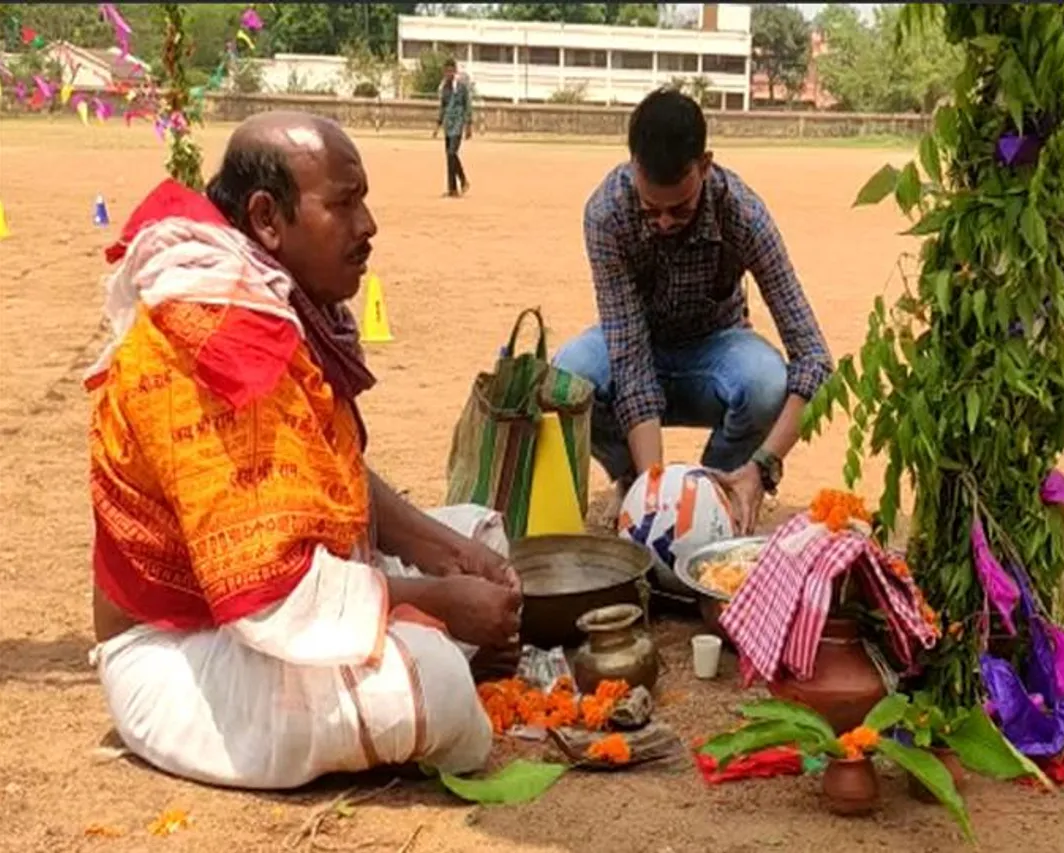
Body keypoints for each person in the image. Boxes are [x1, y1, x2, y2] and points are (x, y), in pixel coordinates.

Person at [86, 112, 520, 790]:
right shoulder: (215, 338)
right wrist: (437, 596)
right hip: (185, 649)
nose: (369, 225)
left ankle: (425, 628)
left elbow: (317, 459)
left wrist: (445, 550)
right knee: (435, 686)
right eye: (345, 203)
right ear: (266, 218)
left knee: (481, 533)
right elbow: (265, 591)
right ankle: (431, 653)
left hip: (277, 606)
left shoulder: (265, 295)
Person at [553, 88, 833, 534]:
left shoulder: (743, 215)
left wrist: (763, 467)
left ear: (705, 165)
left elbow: (815, 360)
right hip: (637, 349)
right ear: (633, 167)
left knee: (765, 382)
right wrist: (654, 497)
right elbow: (628, 360)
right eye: (651, 210)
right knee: (569, 377)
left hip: (716, 355)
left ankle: (722, 488)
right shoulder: (606, 214)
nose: (663, 222)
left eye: (679, 209)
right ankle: (631, 480)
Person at [434, 58, 472, 197]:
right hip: (448, 125)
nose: (448, 74)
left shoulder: (461, 87)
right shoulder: (444, 88)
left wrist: (468, 125)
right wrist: (437, 125)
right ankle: (452, 189)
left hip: (458, 124)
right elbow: (442, 107)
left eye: (451, 71)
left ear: (455, 71)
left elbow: (467, 105)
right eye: (446, 71)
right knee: (449, 156)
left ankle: (463, 179)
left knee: (452, 153)